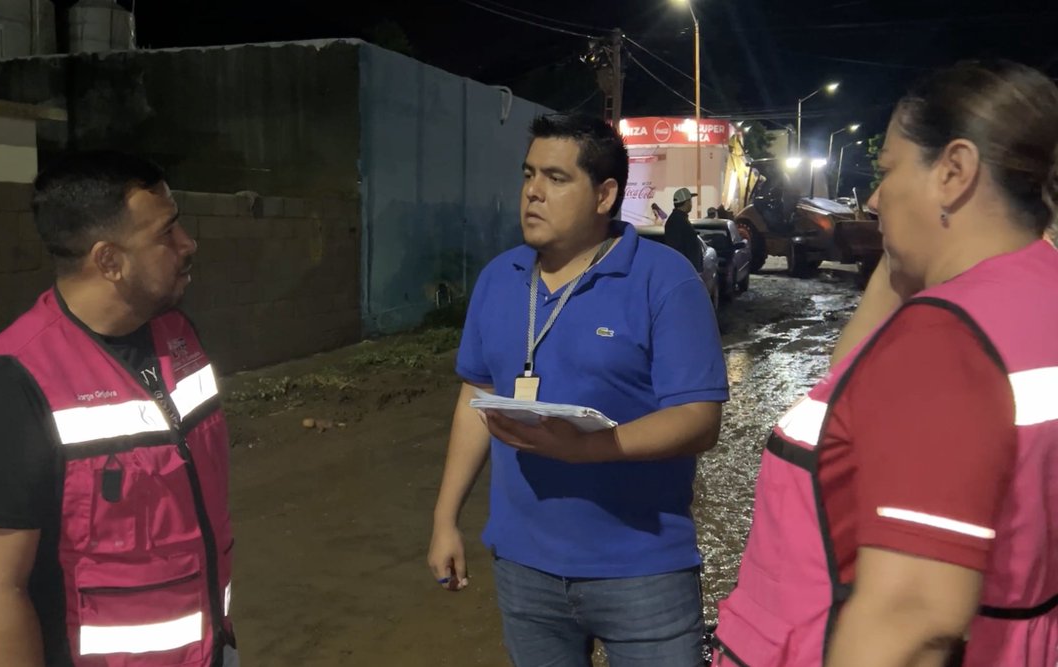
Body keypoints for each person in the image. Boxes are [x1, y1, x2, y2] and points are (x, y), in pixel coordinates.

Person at [711, 59, 1058, 667]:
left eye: (888, 170)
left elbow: (911, 619)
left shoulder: (945, 343)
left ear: (953, 172)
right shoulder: (1035, 295)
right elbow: (852, 386)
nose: (873, 199)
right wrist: (908, 256)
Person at [428, 112, 728, 666]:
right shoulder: (499, 278)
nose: (533, 192)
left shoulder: (664, 280)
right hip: (525, 570)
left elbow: (698, 419)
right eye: (528, 175)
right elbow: (476, 395)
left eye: (556, 178)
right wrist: (445, 519)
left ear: (604, 195)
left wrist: (588, 449)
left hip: (643, 571)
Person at [0, 151, 239, 667]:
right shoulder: (7, 392)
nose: (188, 244)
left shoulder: (177, 335)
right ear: (109, 261)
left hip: (212, 653)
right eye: (166, 234)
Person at [666, 187, 704, 272]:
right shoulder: (677, 221)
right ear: (686, 202)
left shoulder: (680, 219)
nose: (691, 204)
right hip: (685, 270)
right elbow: (677, 248)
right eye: (690, 201)